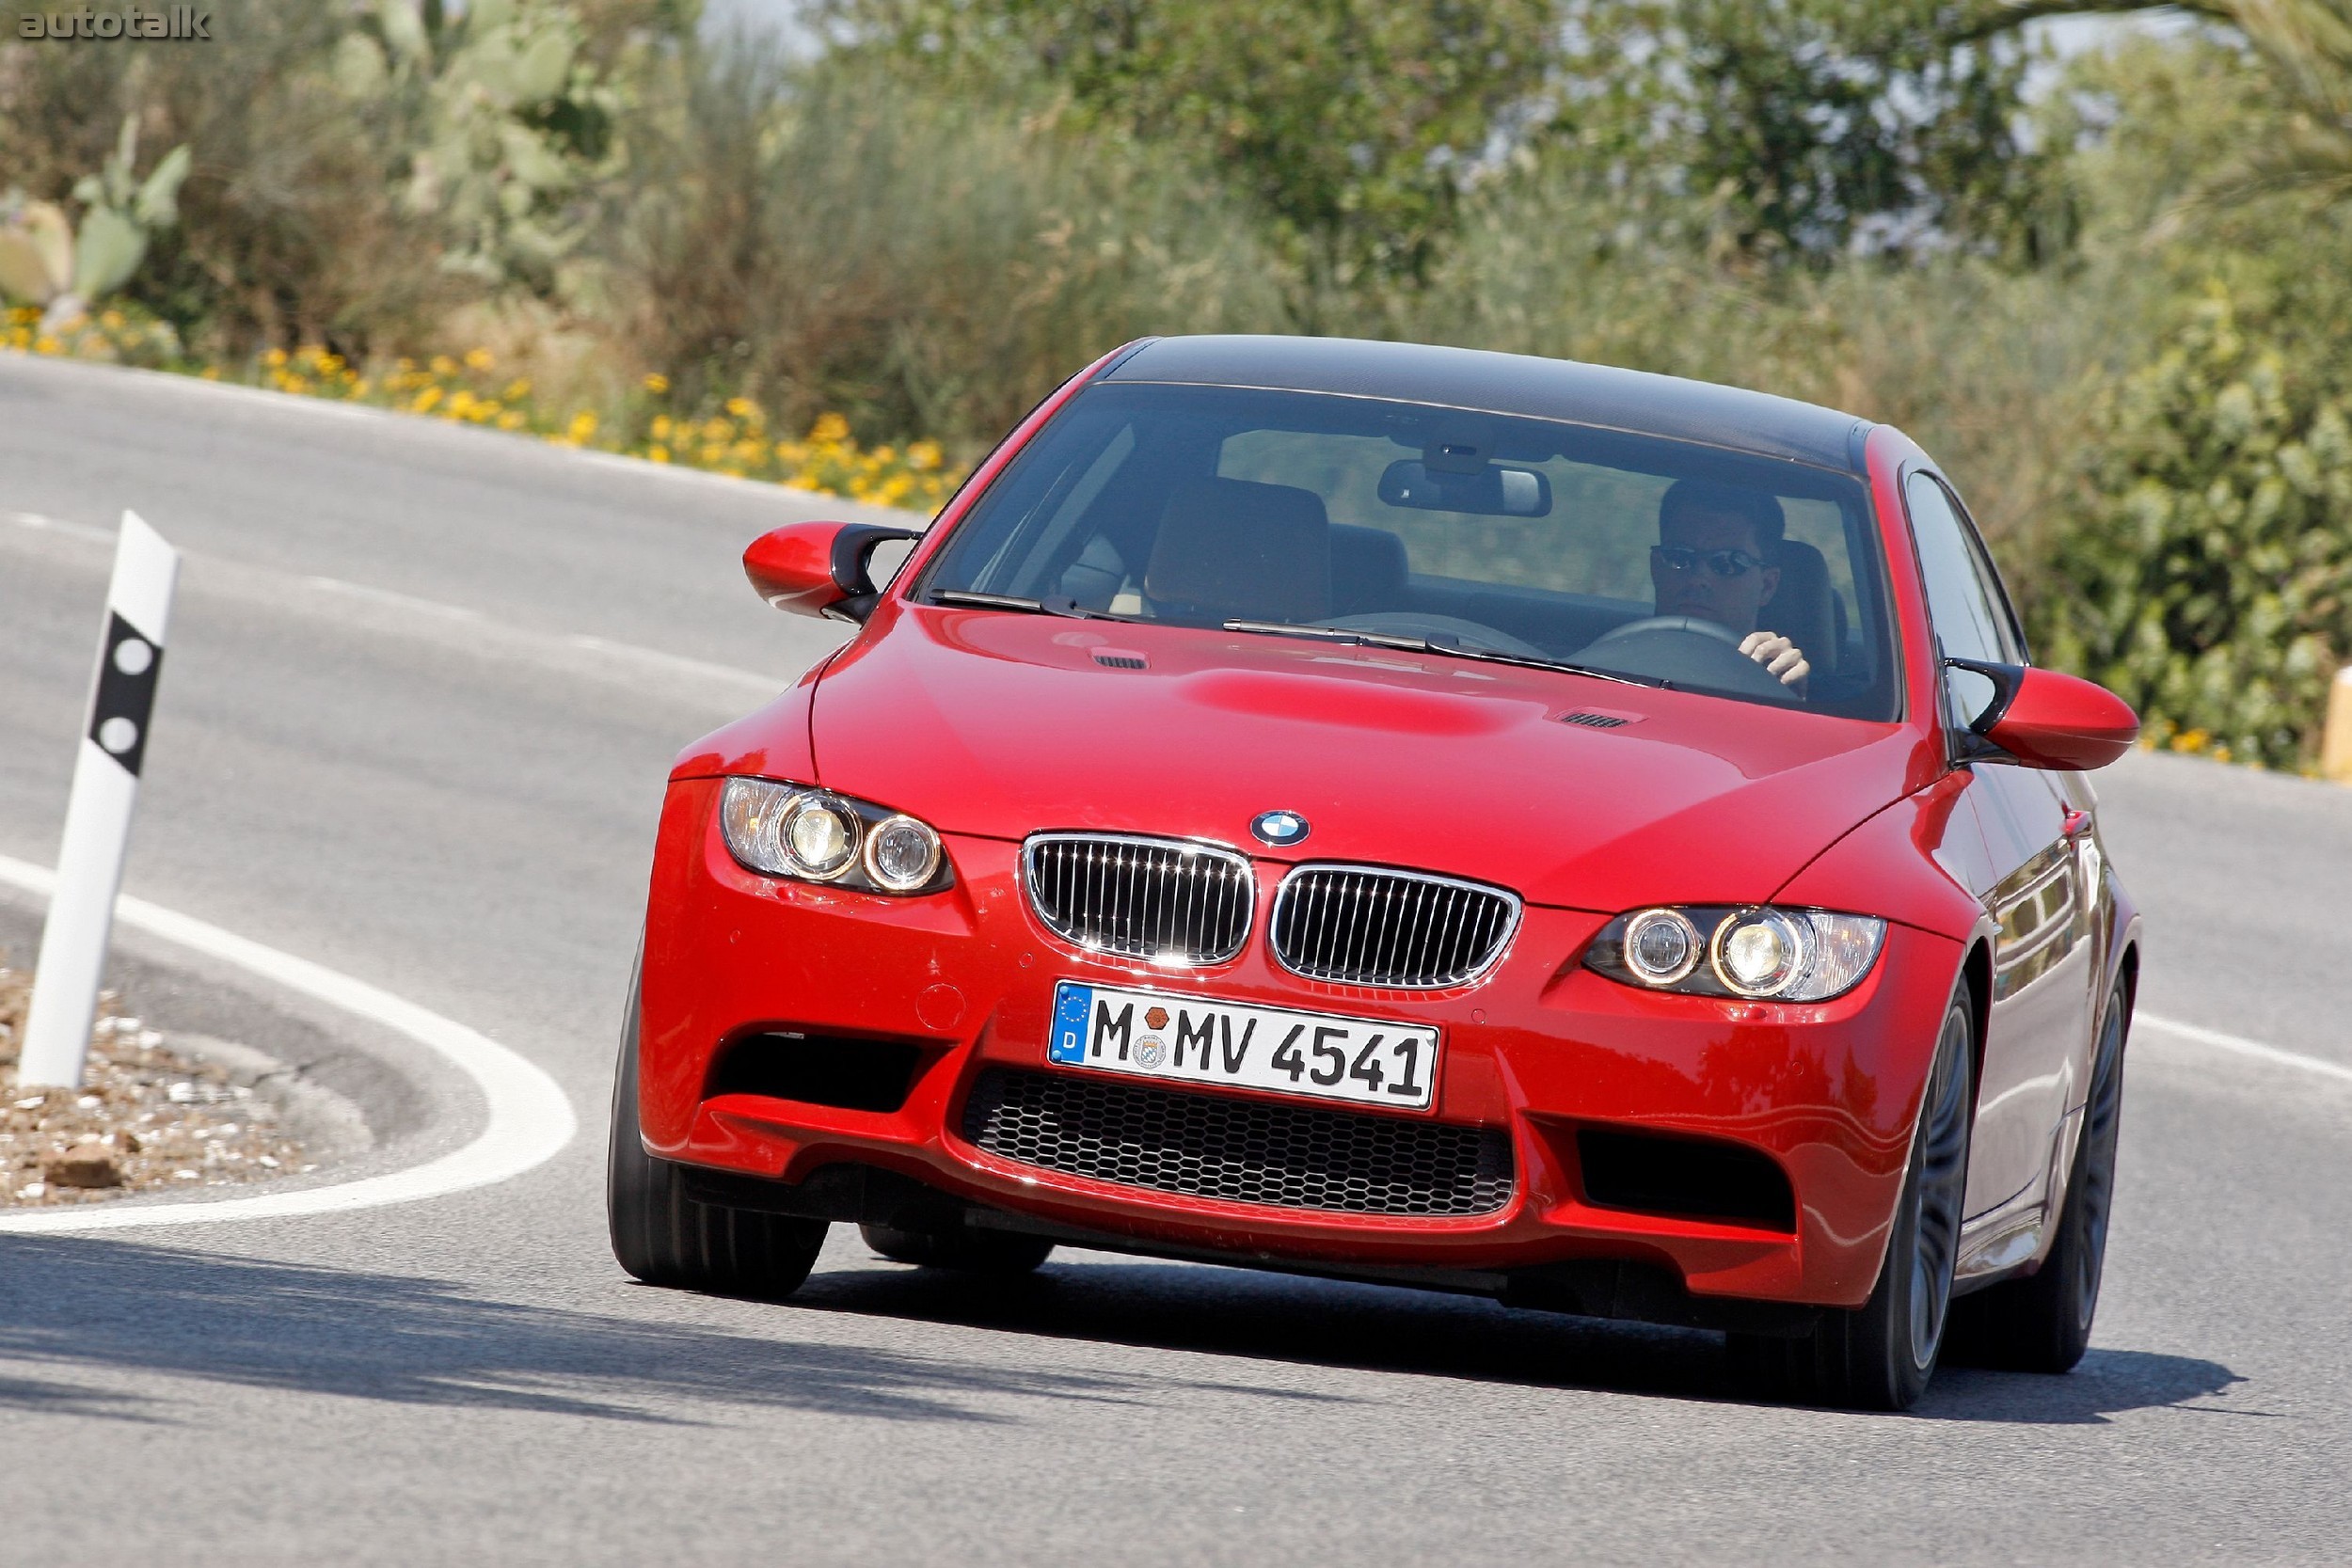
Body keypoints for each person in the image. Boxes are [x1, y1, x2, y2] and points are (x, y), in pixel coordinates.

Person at [1647, 478, 1809, 689]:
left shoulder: (1798, 690)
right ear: (1656, 567)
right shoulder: (1595, 663)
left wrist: (1789, 696)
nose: (1698, 578)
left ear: (1767, 585)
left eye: (1728, 563)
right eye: (1679, 557)